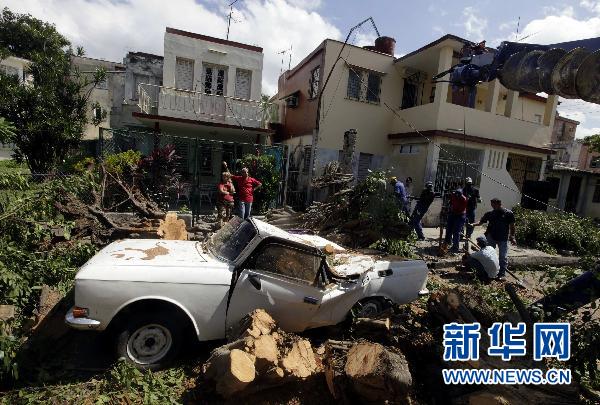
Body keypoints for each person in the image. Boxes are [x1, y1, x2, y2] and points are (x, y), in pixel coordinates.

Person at [471, 198, 516, 279]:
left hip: (503, 238)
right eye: (492, 205)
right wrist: (472, 224)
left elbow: (512, 226)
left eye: (494, 205)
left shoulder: (508, 213)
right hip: (491, 237)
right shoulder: (490, 214)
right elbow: (480, 222)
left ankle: (502, 274)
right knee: (487, 253)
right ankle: (487, 270)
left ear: (499, 204)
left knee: (502, 257)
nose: (493, 207)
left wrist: (512, 237)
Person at [444, 189, 467, 253]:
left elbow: (459, 211)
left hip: (460, 215)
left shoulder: (464, 199)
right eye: (456, 195)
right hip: (453, 213)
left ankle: (455, 247)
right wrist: (448, 207)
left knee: (456, 232)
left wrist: (451, 212)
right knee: (448, 228)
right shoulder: (453, 195)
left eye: (458, 196)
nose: (457, 197)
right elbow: (451, 202)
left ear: (461, 195)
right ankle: (448, 242)